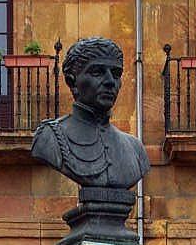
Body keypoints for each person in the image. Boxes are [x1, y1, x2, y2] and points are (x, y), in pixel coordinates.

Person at [31, 36, 151, 190]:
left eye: (116, 74)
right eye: (97, 72)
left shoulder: (135, 149)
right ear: (72, 81)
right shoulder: (50, 137)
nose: (110, 81)